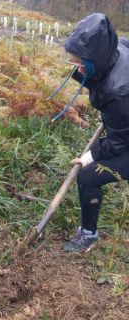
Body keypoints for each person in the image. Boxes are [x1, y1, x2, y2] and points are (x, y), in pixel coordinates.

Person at [54, 13, 129, 252]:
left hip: (124, 136)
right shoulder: (115, 47)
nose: (74, 66)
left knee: (87, 176)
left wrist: (90, 156)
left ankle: (88, 235)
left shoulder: (118, 92)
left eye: (78, 62)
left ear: (95, 59)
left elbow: (118, 142)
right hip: (123, 122)